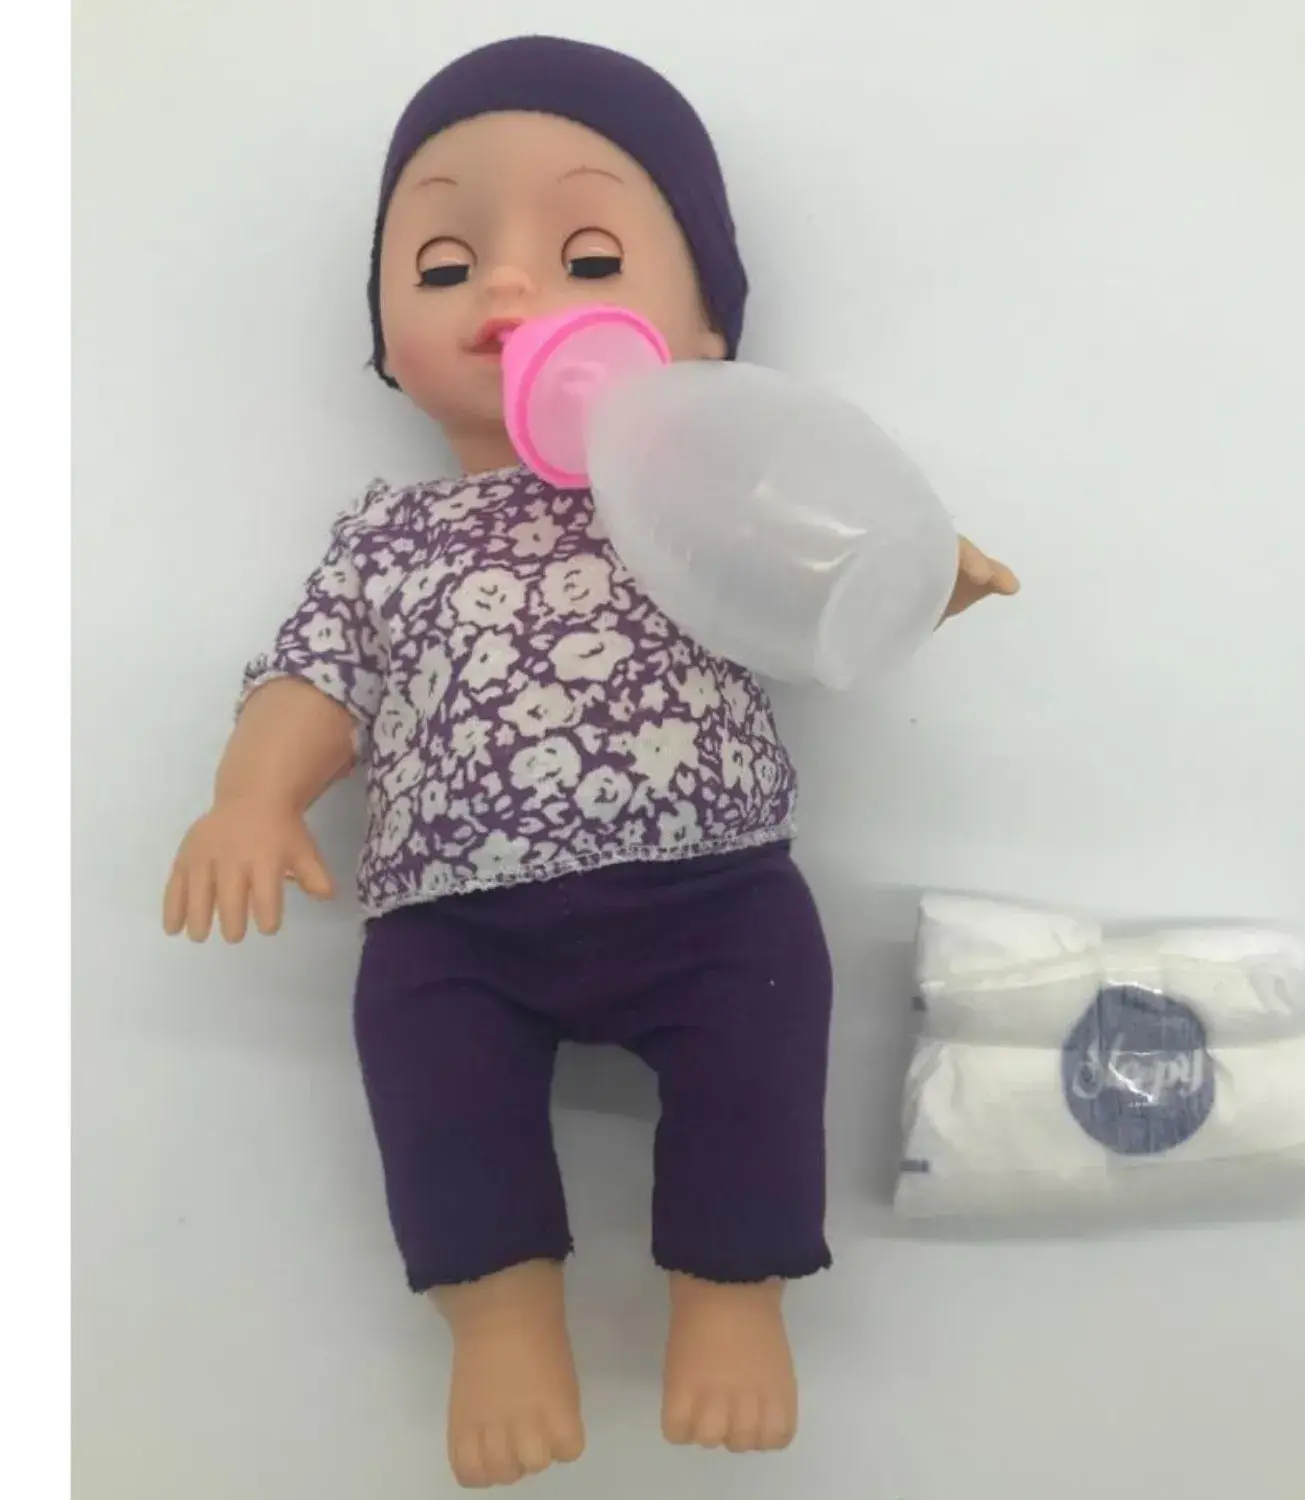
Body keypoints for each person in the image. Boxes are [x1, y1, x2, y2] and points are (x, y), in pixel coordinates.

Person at [162, 35, 1018, 1488]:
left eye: (589, 257)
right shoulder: (391, 532)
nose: (507, 292)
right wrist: (252, 794)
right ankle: (498, 1324)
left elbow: (827, 580)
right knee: (430, 1080)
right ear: (386, 336)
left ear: (707, 330)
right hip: (454, 927)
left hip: (711, 898)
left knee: (763, 1040)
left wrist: (918, 572)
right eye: (445, 266)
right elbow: (318, 674)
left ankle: (733, 1298)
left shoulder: (710, 487)